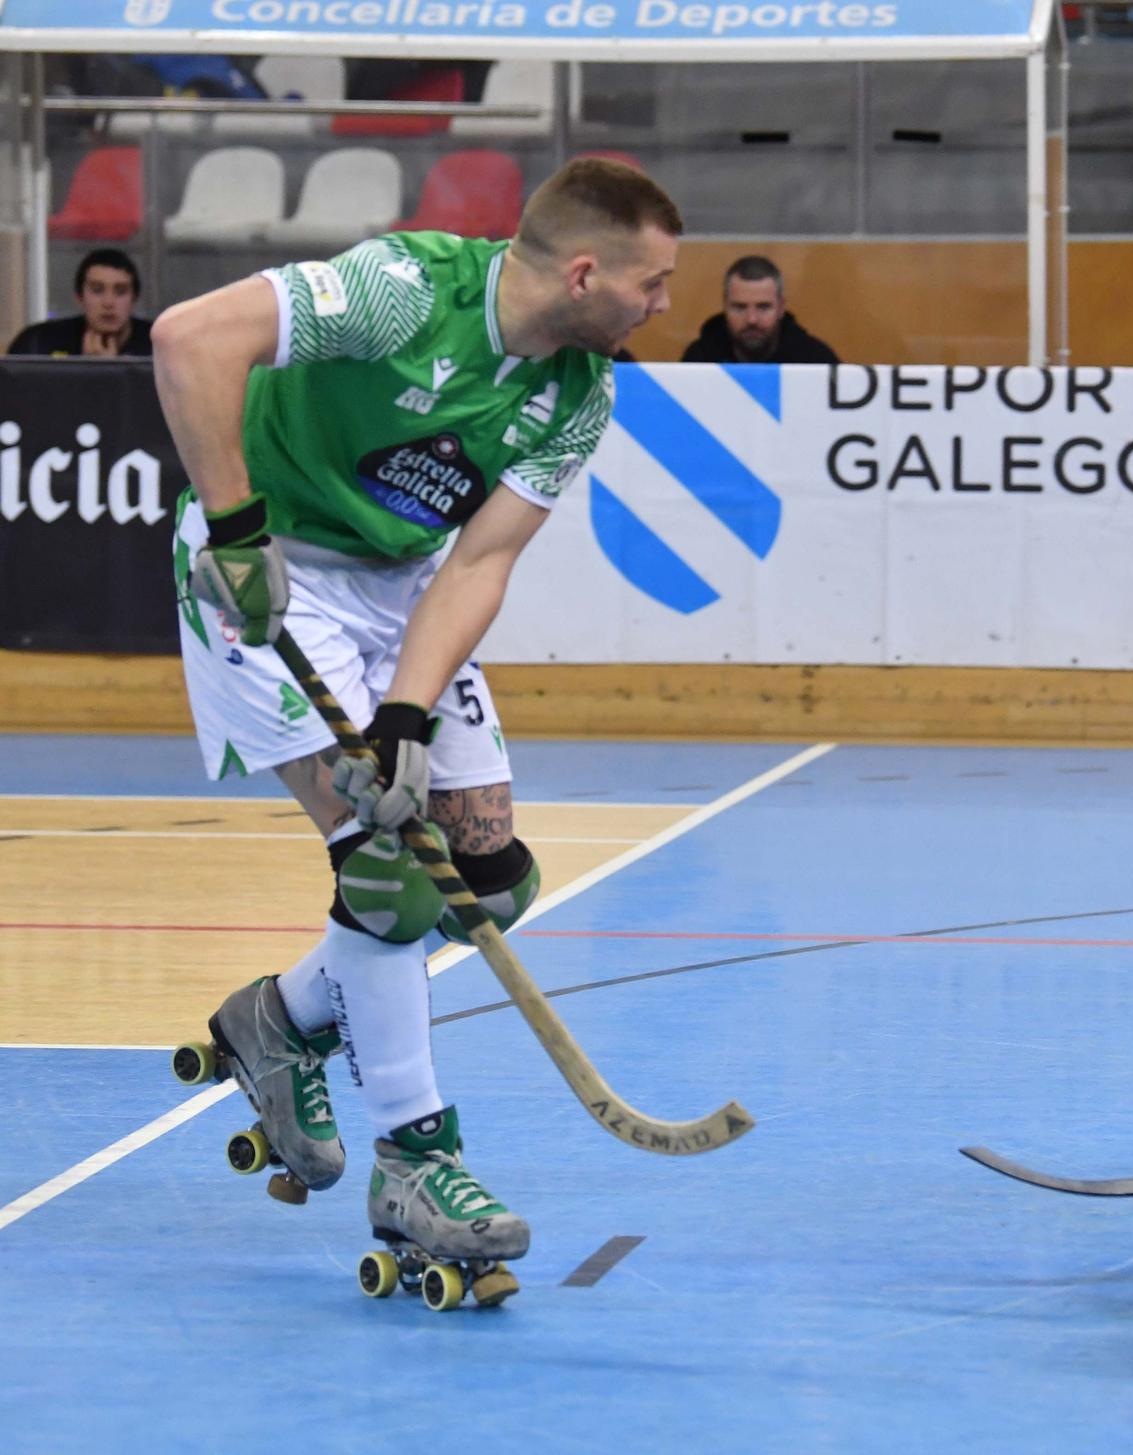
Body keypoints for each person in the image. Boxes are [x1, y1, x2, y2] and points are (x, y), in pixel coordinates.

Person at [154, 157, 680, 1302]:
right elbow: (191, 337)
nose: (663, 305)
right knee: (389, 876)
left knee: (482, 884)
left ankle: (284, 1021)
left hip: (398, 590)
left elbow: (480, 559)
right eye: (652, 282)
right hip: (269, 571)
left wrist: (404, 716)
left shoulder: (578, 392)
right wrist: (236, 530)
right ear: (584, 270)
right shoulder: (402, 291)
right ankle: (417, 1159)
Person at [680, 255, 839, 364]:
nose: (752, 319)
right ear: (725, 306)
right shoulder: (699, 362)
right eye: (739, 307)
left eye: (763, 307)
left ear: (781, 307)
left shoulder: (816, 362)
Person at [8, 249, 153, 358]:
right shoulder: (38, 342)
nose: (108, 303)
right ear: (79, 297)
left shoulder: (157, 346)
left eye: (120, 291)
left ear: (134, 298)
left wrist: (111, 371)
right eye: (97, 290)